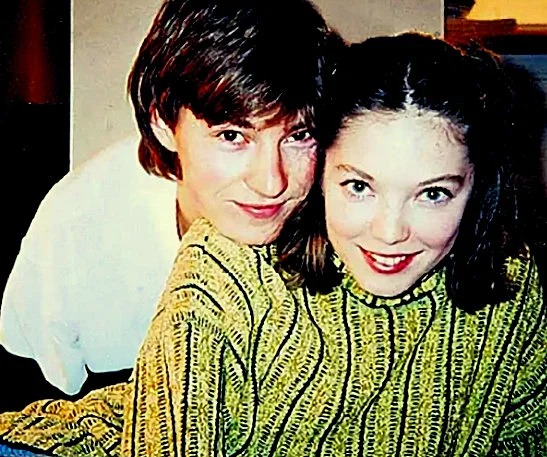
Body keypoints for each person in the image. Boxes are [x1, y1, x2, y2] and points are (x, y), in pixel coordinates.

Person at [1, 32, 546, 456]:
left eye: (432, 194)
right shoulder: (223, 269)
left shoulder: (516, 294)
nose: (389, 233)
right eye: (359, 187)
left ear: (479, 187)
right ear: (323, 172)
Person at [0, 0, 342, 400]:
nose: (271, 182)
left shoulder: (353, 218)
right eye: (232, 136)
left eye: (299, 136)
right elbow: (31, 402)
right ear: (163, 122)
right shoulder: (79, 220)